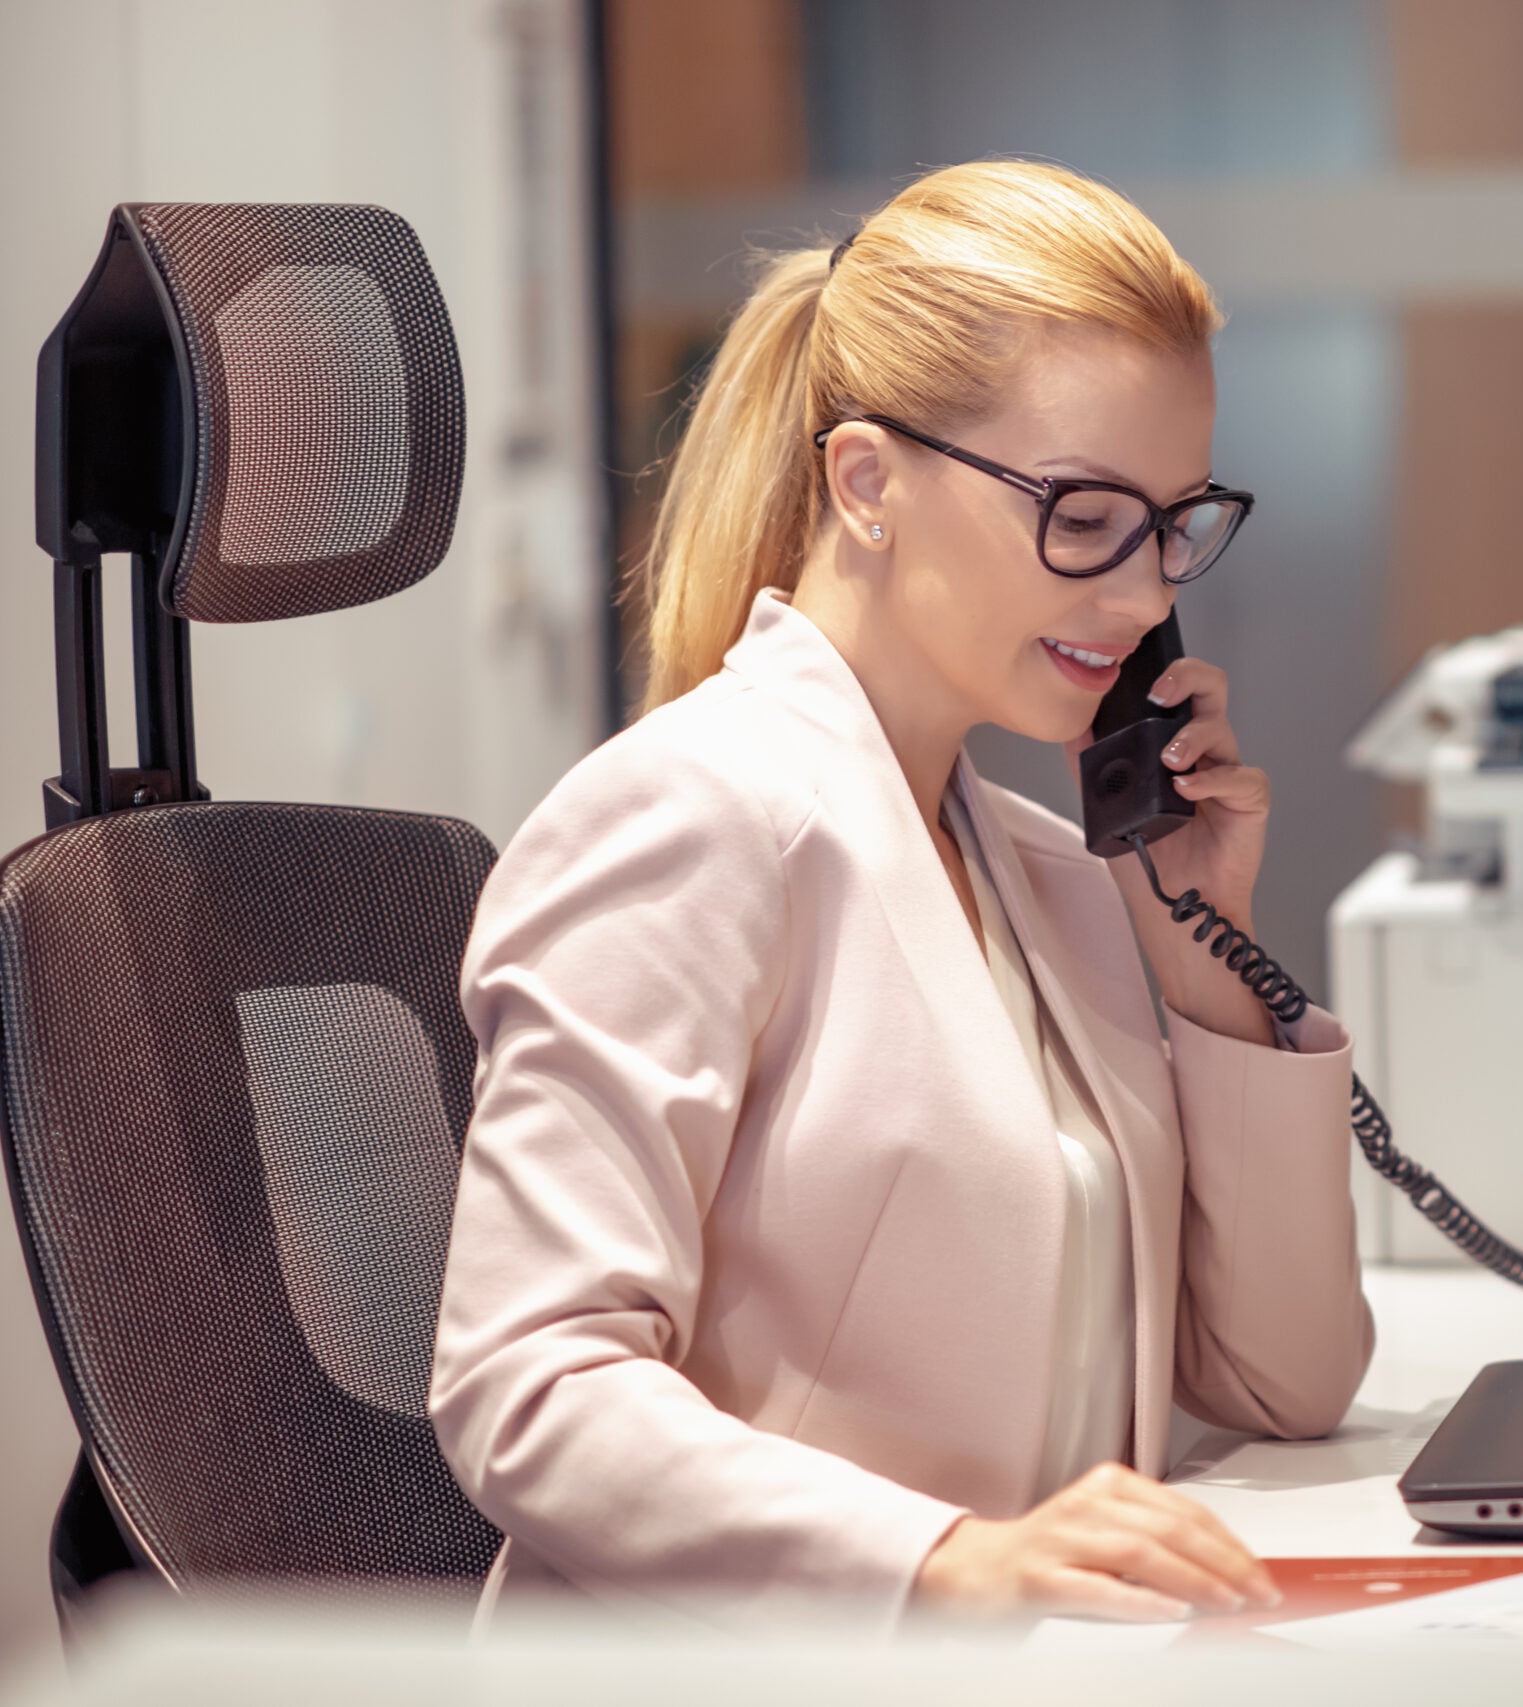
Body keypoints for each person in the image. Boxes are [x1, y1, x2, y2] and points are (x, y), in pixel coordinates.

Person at [427, 159, 1375, 1633]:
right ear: (867, 483)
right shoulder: (684, 822)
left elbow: (1282, 1382)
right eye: (1082, 515)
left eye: (1174, 525)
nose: (1138, 597)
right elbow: (526, 1384)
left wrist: (1203, 956)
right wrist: (937, 1561)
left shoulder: (1058, 880)